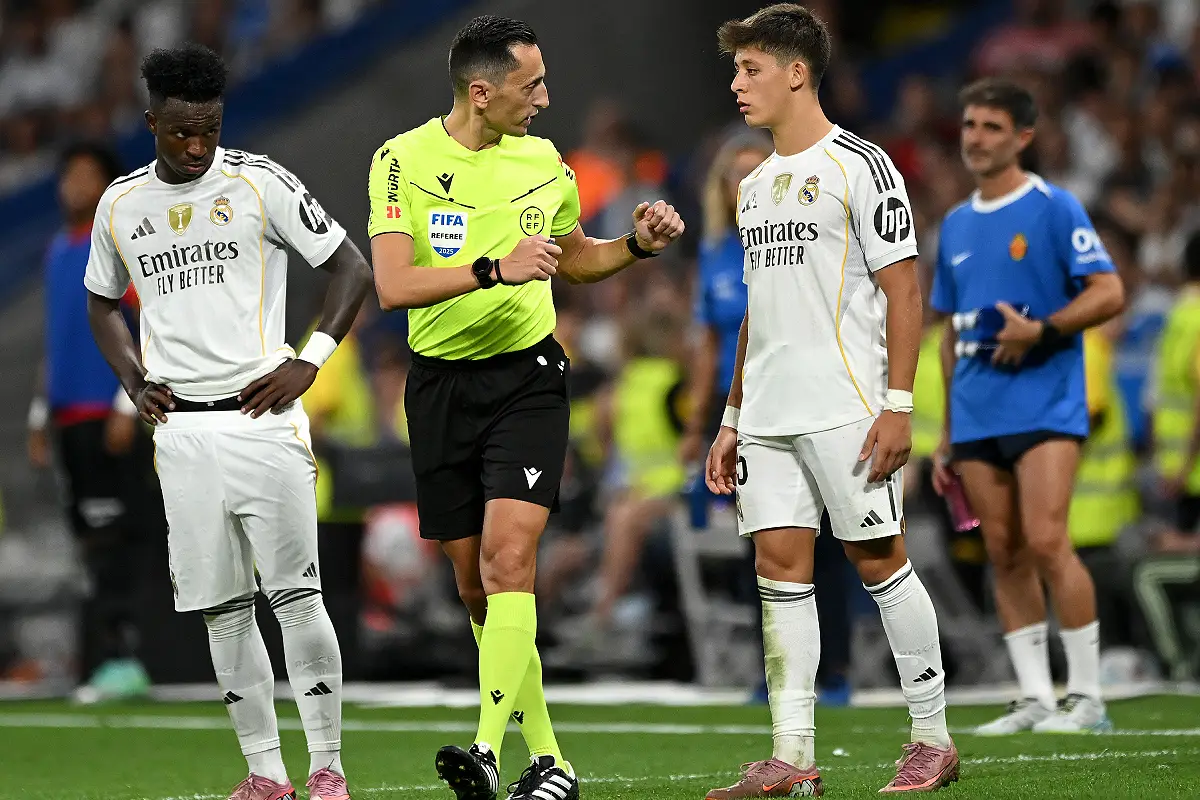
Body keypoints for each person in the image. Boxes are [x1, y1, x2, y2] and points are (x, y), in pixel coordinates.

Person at [366, 15, 684, 800]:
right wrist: (492, 267)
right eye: (530, 85)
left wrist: (635, 247)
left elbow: (574, 260)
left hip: (528, 380)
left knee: (512, 561)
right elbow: (394, 285)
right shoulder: (401, 161)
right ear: (482, 92)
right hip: (439, 385)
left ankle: (483, 746)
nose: (545, 99)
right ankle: (550, 760)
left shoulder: (547, 163)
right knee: (476, 586)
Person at [84, 44, 373, 800]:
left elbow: (351, 266)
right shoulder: (119, 204)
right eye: (181, 131)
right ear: (151, 123)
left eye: (208, 127)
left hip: (261, 420)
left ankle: (328, 770)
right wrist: (132, 378)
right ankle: (265, 774)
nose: (197, 144)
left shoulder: (259, 182)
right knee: (222, 608)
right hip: (181, 432)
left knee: (297, 597)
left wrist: (309, 360)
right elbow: (101, 301)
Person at [704, 5, 958, 796]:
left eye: (751, 69)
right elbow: (755, 313)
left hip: (848, 407)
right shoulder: (753, 187)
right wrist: (731, 418)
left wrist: (899, 404)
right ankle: (793, 758)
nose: (738, 85)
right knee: (779, 575)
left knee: (881, 564)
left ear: (797, 72)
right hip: (769, 415)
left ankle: (932, 738)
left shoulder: (862, 165)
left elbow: (904, 289)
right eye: (736, 70)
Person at [929, 78, 1125, 735]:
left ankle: (1088, 699)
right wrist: (947, 434)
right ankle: (1035, 697)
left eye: (989, 126)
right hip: (978, 410)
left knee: (1046, 541)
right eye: (969, 125)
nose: (975, 138)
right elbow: (946, 334)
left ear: (1023, 138)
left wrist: (1041, 332)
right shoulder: (955, 224)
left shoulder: (1054, 206)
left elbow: (1108, 291)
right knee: (1004, 552)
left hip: (1045, 400)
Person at [27, 141, 156, 701]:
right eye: (69, 175)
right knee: (86, 539)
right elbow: (58, 339)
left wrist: (129, 402)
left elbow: (147, 324)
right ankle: (101, 659)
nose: (74, 186)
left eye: (88, 176)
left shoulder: (119, 248)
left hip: (110, 417)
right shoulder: (57, 250)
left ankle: (125, 660)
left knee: (114, 536)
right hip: (68, 419)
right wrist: (39, 413)